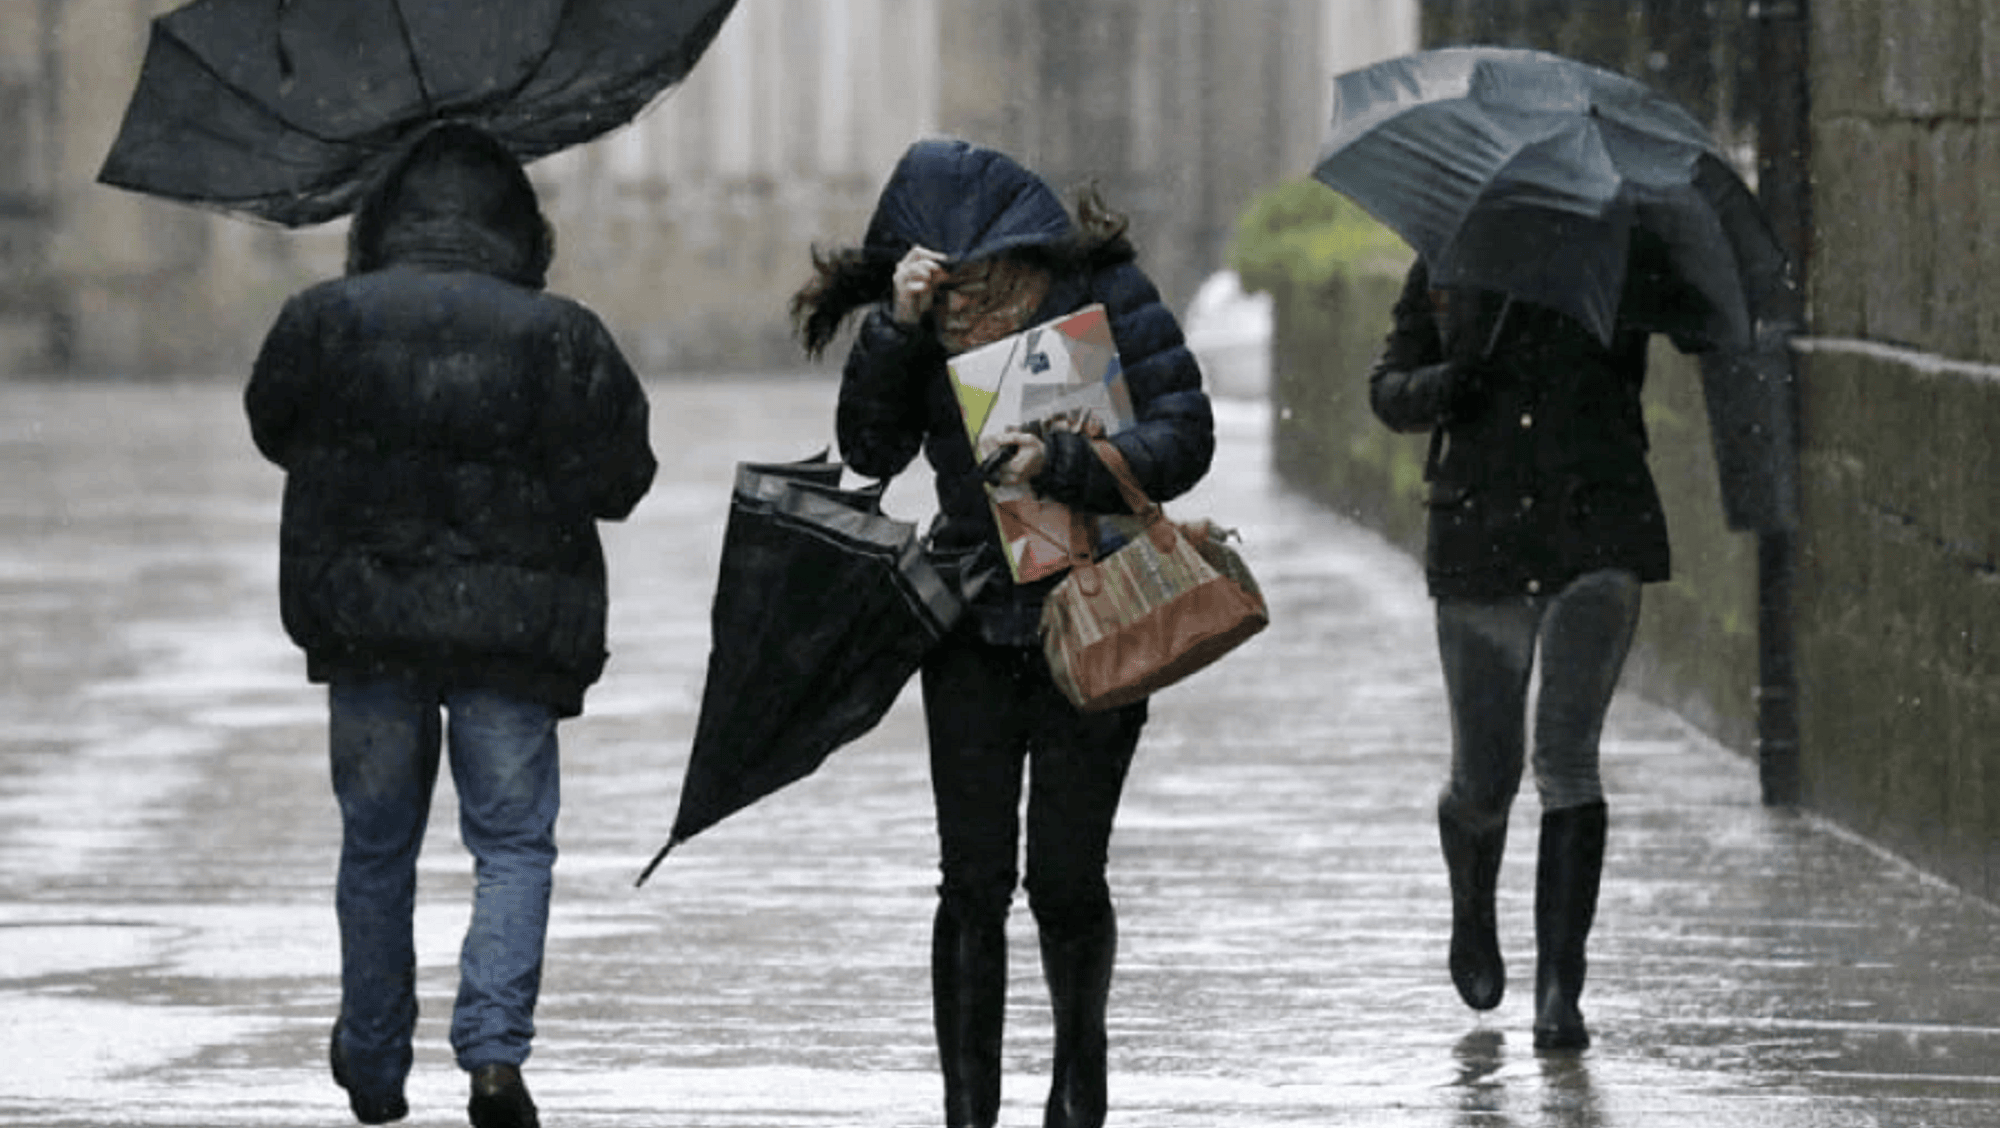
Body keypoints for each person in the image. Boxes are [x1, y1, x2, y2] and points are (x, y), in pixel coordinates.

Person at [790, 138, 1213, 1128]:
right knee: (970, 883)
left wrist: (1065, 462)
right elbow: (867, 451)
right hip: (972, 622)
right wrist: (895, 330)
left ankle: (1078, 1075)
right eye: (940, 275)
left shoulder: (1100, 289)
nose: (964, 293)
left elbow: (1184, 437)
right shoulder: (921, 321)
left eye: (974, 270)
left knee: (1064, 879)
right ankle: (967, 1109)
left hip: (1097, 611)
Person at [245, 122, 657, 1128]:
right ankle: (492, 1060)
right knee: (512, 844)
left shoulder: (321, 319)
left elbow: (273, 430)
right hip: (513, 634)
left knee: (376, 845)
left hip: (367, 620)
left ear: (383, 217)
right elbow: (621, 481)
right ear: (518, 224)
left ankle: (375, 1059)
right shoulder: (561, 333)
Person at [1367, 257, 1671, 1052]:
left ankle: (1560, 989)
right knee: (1484, 776)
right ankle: (1474, 913)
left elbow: (1684, 332)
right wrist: (1446, 385)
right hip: (1482, 538)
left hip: (1595, 529)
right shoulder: (1450, 255)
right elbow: (1388, 388)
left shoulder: (1619, 252)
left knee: (1569, 760)